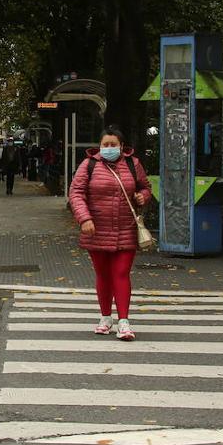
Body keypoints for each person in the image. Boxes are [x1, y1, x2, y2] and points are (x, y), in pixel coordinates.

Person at [69, 126, 152, 341]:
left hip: (126, 229)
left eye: (113, 144)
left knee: (121, 273)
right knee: (103, 274)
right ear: (99, 146)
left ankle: (123, 322)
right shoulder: (89, 165)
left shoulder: (133, 165)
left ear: (122, 146)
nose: (109, 148)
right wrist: (84, 218)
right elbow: (76, 192)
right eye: (105, 145)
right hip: (96, 229)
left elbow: (145, 186)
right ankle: (106, 318)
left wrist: (144, 196)